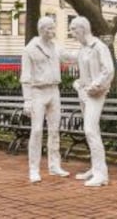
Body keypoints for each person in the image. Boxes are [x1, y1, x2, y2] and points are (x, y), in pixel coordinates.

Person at [20, 16, 76, 183]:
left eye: (53, 28)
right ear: (42, 29)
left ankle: (54, 165)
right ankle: (34, 169)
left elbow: (68, 57)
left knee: (54, 130)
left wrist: (87, 50)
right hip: (37, 92)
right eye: (50, 28)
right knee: (36, 131)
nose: (53, 31)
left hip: (54, 91)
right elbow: (26, 76)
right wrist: (27, 100)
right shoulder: (30, 49)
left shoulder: (55, 46)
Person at [69, 16, 115, 187]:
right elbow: (85, 73)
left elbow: (108, 70)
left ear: (83, 28)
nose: (72, 33)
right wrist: (79, 83)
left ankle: (101, 174)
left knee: (90, 130)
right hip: (84, 94)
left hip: (95, 94)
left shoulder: (99, 46)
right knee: (91, 130)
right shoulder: (83, 49)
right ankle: (95, 168)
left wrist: (94, 85)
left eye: (74, 29)